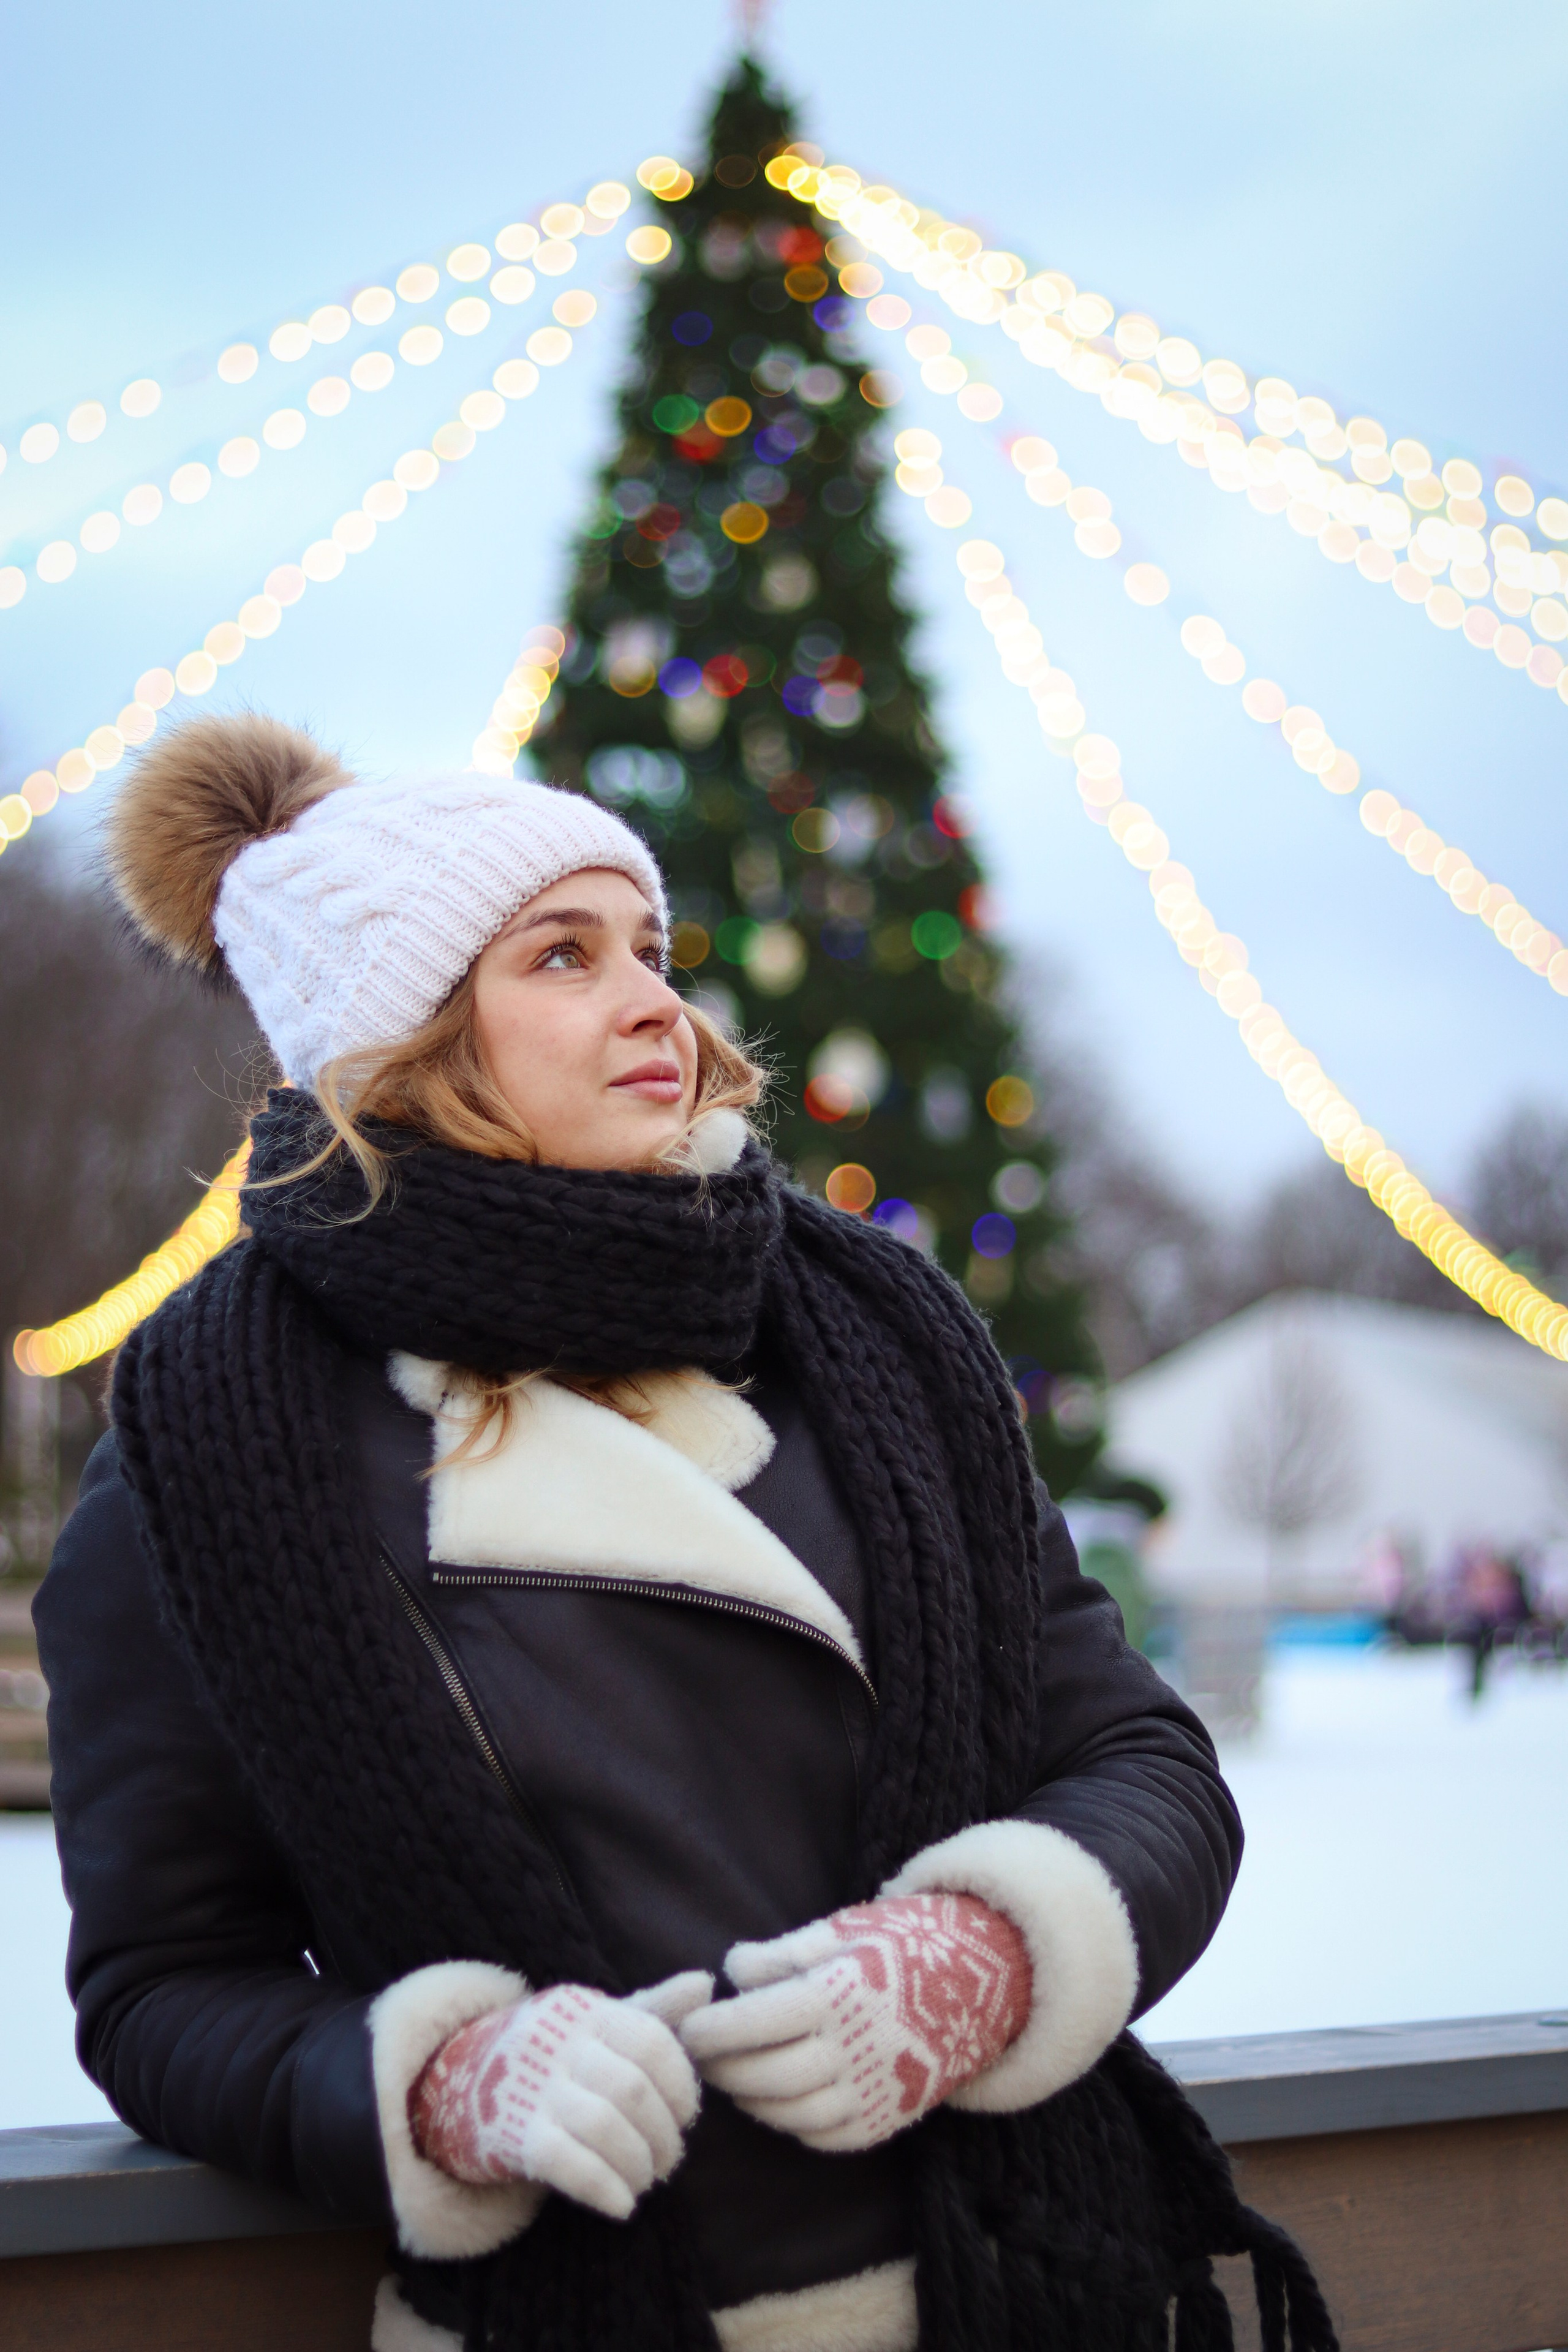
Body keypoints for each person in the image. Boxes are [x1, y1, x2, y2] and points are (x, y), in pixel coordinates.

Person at [35, 717, 1330, 2352]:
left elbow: (1142, 1759)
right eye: (562, 958)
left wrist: (985, 1956)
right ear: (395, 1042)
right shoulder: (212, 1449)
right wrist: (441, 2079)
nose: (659, 999)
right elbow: (163, 1986)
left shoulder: (875, 1337)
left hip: (1021, 2289)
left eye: (649, 946)